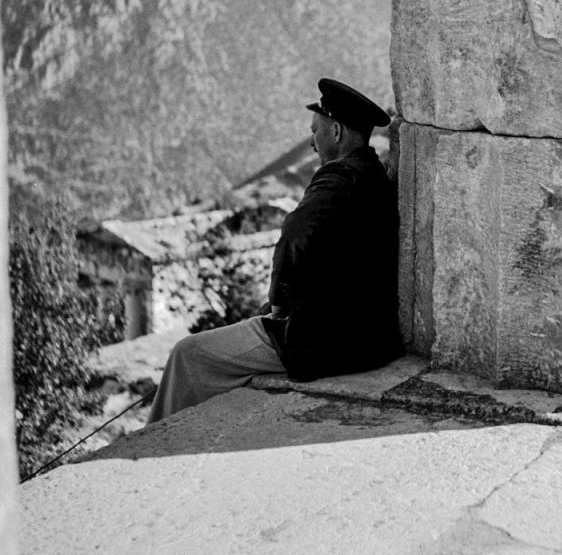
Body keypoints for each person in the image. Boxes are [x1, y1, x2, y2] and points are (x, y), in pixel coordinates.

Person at [147, 78, 402, 423]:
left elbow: (295, 233)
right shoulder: (374, 176)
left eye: (315, 131)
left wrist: (279, 302)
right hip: (370, 339)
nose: (311, 142)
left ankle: (158, 442)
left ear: (336, 132)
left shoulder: (338, 178)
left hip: (324, 343)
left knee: (187, 354)